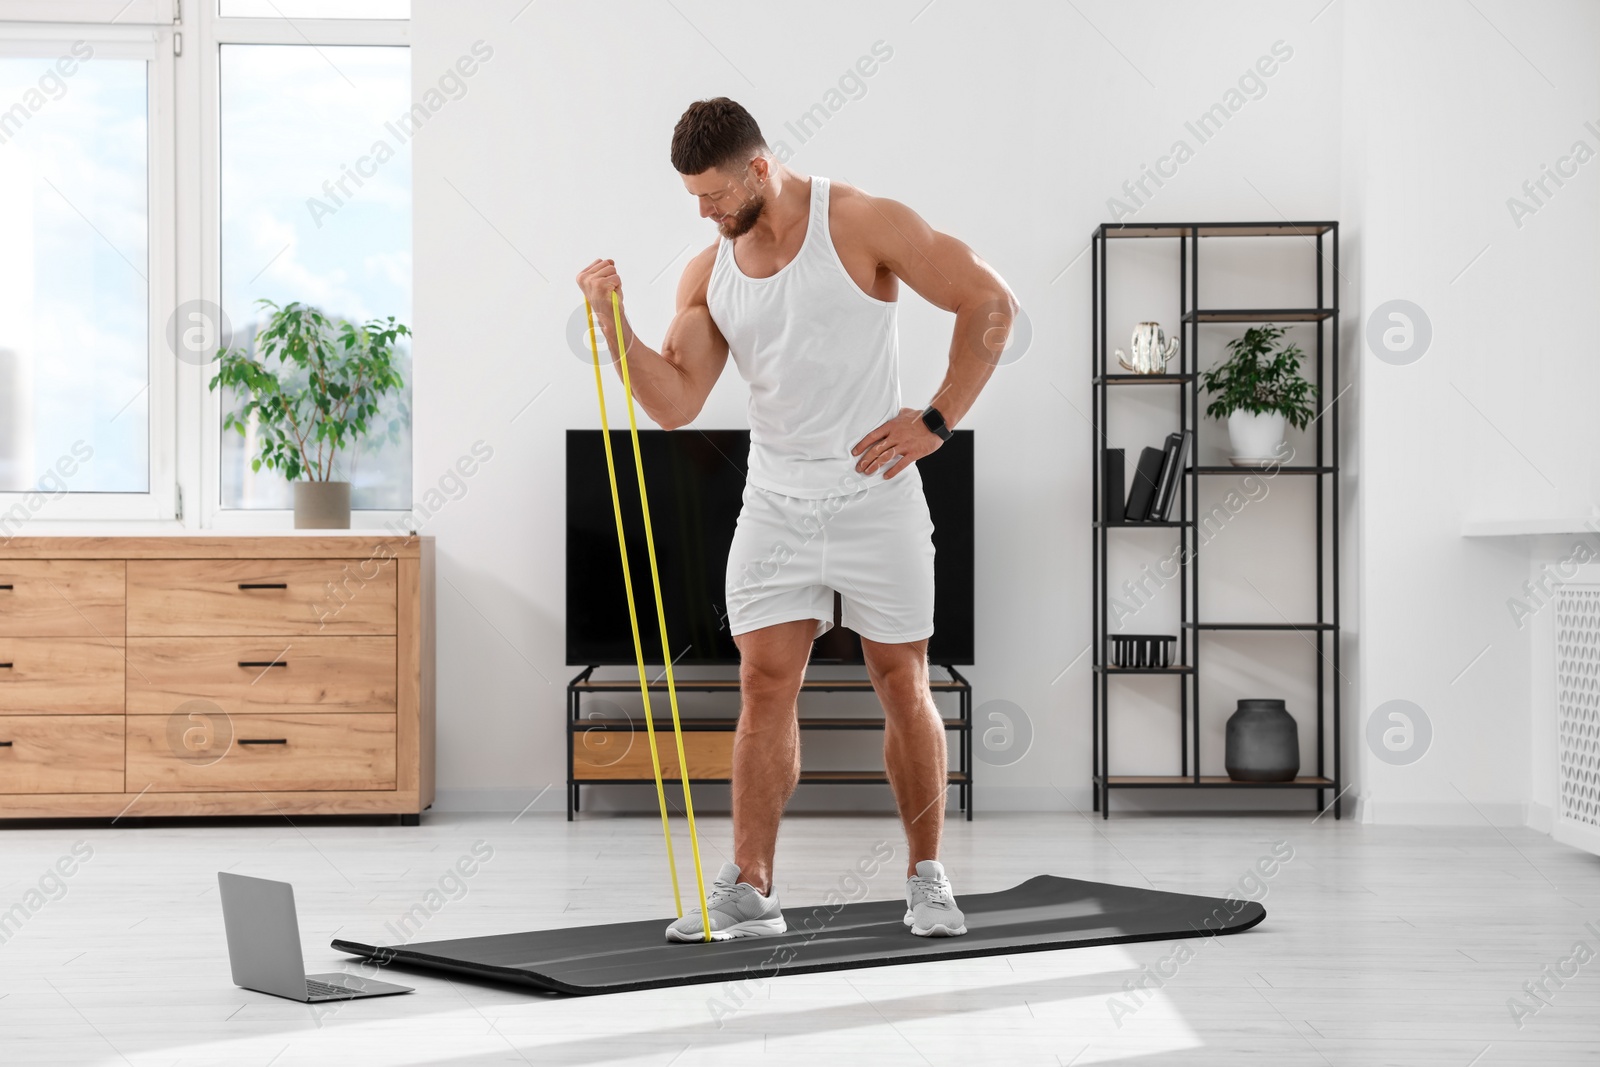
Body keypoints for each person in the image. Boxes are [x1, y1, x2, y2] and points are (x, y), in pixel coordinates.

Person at [575, 97, 1016, 942]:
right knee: (762, 686)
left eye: (711, 194)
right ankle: (751, 885)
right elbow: (674, 401)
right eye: (693, 199)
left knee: (901, 680)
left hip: (874, 492)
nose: (702, 212)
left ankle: (928, 878)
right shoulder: (709, 273)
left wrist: (937, 418)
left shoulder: (859, 222)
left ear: (759, 168)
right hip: (775, 502)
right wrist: (611, 326)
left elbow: (991, 302)